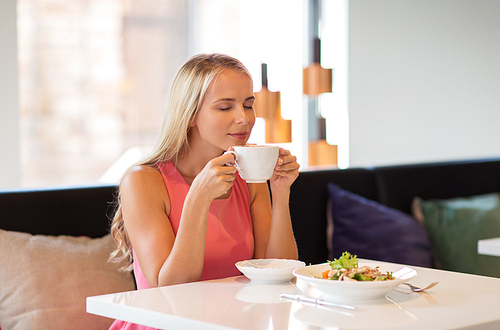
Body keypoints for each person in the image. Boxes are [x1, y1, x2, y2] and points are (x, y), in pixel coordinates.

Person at [108, 53, 300, 330]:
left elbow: (280, 273)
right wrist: (197, 199)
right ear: (189, 116)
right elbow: (170, 289)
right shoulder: (142, 181)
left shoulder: (248, 175)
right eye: (225, 108)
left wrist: (280, 194)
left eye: (248, 105)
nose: (243, 119)